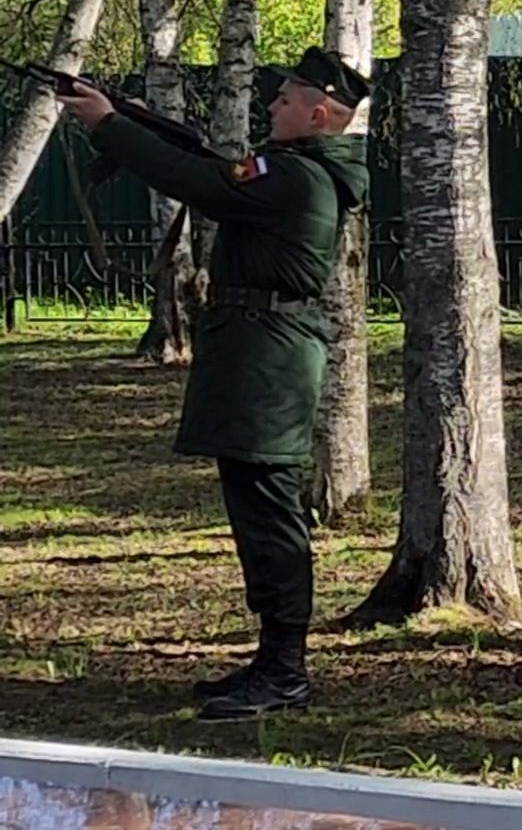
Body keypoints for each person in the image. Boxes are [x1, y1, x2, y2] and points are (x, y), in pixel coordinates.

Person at [55, 47, 371, 721]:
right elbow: (206, 167)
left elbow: (196, 180)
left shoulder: (295, 177)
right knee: (257, 512)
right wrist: (136, 121)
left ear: (318, 115)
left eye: (285, 99)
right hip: (258, 357)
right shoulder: (294, 172)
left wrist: (109, 124)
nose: (272, 106)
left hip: (269, 365)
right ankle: (272, 660)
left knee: (272, 517)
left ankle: (284, 670)